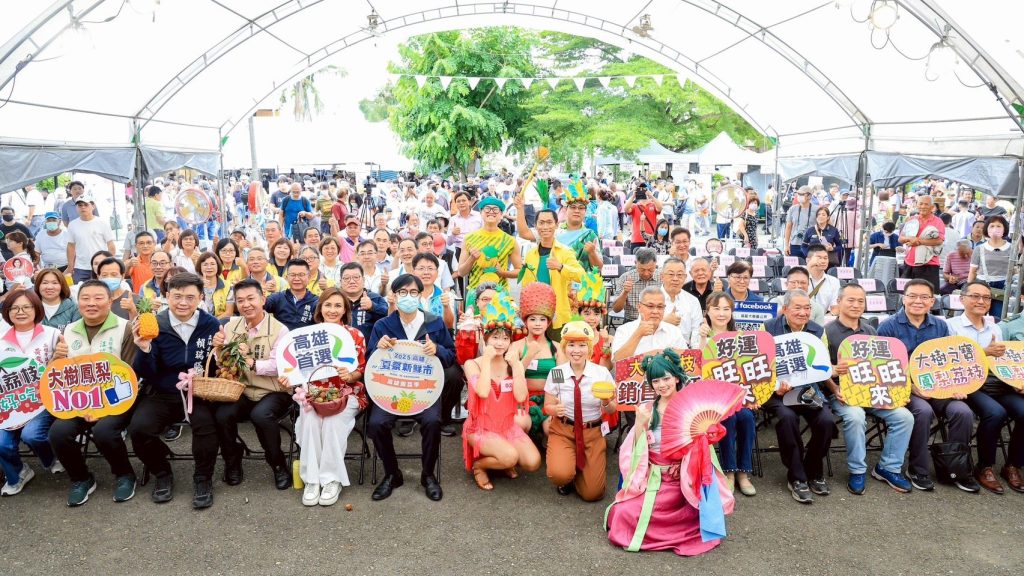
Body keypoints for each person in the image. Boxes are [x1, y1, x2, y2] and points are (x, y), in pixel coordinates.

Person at [605, 349, 734, 556]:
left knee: (694, 512)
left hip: (682, 481)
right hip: (652, 477)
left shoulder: (693, 408)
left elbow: (701, 449)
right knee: (622, 512)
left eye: (666, 378)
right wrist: (639, 424)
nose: (662, 385)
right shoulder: (647, 408)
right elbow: (635, 450)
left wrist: (685, 464)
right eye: (655, 381)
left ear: (676, 377)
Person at [128, 272, 224, 509]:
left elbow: (216, 364)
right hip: (162, 391)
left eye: (190, 297)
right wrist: (144, 348)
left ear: (201, 297)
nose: (183, 303)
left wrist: (222, 353)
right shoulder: (155, 324)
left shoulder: (211, 324)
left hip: (199, 391)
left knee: (207, 427)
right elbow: (145, 372)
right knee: (139, 429)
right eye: (177, 296)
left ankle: (203, 478)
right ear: (167, 295)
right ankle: (162, 472)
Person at [877, 279, 977, 492]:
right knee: (922, 411)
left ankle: (956, 468)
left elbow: (951, 361)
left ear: (932, 301)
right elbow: (882, 367)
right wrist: (911, 387)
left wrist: (956, 385)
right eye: (912, 296)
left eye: (924, 297)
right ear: (903, 298)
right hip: (904, 387)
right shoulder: (888, 326)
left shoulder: (940, 326)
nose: (918, 301)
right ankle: (917, 469)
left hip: (939, 386)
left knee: (963, 412)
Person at [47, 279, 139, 505]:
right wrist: (56, 358)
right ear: (78, 303)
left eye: (98, 298)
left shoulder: (124, 327)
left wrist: (101, 407)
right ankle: (81, 478)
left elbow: (129, 374)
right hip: (79, 401)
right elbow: (60, 376)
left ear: (110, 301)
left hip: (117, 398)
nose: (91, 303)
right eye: (85, 298)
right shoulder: (68, 330)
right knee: (58, 433)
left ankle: (125, 475)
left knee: (105, 432)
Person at [367, 274, 456, 502]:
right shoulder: (383, 325)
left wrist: (437, 349)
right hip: (391, 391)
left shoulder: (434, 322)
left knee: (432, 421)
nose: (408, 297)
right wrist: (378, 348)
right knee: (376, 424)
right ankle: (392, 473)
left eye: (413, 292)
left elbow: (450, 357)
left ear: (420, 295)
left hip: (423, 392)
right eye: (403, 293)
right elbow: (369, 362)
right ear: (395, 296)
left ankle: (427, 475)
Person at [822, 284, 914, 495]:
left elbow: (882, 368)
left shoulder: (871, 331)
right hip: (842, 394)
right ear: (839, 302)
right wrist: (835, 388)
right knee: (855, 417)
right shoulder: (827, 332)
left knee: (904, 417)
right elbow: (822, 369)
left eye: (860, 301)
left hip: (874, 394)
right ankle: (857, 470)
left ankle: (887, 467)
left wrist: (896, 393)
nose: (856, 305)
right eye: (850, 300)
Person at [211, 279, 293, 490]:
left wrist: (251, 362)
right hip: (242, 388)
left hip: (273, 390)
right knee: (222, 415)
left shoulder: (280, 329)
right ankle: (232, 460)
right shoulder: (231, 325)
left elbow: (279, 366)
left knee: (261, 416)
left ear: (262, 299)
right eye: (240, 300)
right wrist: (219, 348)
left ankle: (278, 464)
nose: (246, 304)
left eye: (250, 298)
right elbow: (224, 363)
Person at [290, 287, 367, 506]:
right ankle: (312, 479)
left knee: (333, 422)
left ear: (345, 310)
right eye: (328, 305)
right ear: (320, 308)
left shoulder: (355, 335)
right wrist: (290, 378)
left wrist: (349, 375)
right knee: (311, 421)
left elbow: (360, 369)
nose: (332, 310)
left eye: (338, 306)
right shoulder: (307, 335)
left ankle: (332, 479)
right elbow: (296, 369)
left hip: (346, 393)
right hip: (314, 394)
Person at [946, 281, 1024, 494]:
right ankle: (985, 466)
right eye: (975, 296)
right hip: (969, 384)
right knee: (995, 413)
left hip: (999, 383)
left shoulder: (996, 327)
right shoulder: (951, 326)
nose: (981, 301)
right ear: (962, 299)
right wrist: (984, 352)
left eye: (986, 297)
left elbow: (1006, 361)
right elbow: (949, 363)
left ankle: (1013, 465)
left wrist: (1017, 381)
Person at [762, 289, 834, 504]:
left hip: (807, 388)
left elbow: (822, 366)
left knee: (827, 421)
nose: (803, 312)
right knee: (787, 418)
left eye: (807, 308)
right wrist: (775, 386)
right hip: (775, 390)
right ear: (784, 309)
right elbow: (759, 363)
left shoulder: (818, 330)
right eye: (797, 307)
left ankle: (812, 468)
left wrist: (832, 374)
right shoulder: (767, 328)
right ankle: (796, 477)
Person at [462, 293, 540, 490]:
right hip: (480, 428)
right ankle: (481, 466)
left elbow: (521, 397)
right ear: (486, 338)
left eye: (505, 339)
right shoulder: (472, 364)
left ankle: (504, 459)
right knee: (510, 456)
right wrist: (486, 360)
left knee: (533, 462)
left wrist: (517, 368)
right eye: (495, 338)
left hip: (506, 426)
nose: (500, 343)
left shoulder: (511, 364)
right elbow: (482, 392)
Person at [0, 290, 65, 496]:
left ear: (36, 309)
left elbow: (64, 371)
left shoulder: (52, 334)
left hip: (44, 400)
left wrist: (57, 358)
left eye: (26, 307)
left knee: (33, 435)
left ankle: (51, 458)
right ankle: (18, 473)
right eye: (14, 308)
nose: (20, 312)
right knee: (1, 442)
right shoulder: (1, 339)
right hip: (11, 402)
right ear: (7, 311)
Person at [543, 319, 616, 501]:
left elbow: (613, 408)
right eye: (571, 345)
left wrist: (606, 401)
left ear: (589, 347)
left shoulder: (601, 373)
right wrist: (555, 409)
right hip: (563, 429)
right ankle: (566, 475)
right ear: (564, 347)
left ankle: (579, 472)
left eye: (582, 345)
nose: (576, 350)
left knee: (593, 494)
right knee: (559, 474)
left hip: (592, 432)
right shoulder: (557, 372)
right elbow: (547, 406)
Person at [699, 291, 756, 496]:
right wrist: (703, 338)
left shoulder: (740, 337)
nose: (721, 314)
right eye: (716, 309)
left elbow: (749, 370)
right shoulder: (701, 334)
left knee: (747, 417)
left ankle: (743, 472)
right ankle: (730, 472)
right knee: (728, 420)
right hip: (711, 399)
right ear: (708, 311)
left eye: (726, 309)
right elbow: (698, 368)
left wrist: (752, 397)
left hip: (737, 396)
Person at [508, 283, 564, 436]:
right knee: (519, 423)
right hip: (523, 400)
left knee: (552, 428)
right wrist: (529, 355)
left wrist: (556, 402)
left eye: (542, 319)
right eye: (533, 319)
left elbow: (561, 380)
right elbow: (511, 375)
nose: (537, 324)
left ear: (549, 322)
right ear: (525, 321)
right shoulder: (516, 346)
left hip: (549, 400)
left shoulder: (557, 348)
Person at [517, 210, 584, 330]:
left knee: (557, 348)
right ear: (535, 226)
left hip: (558, 315)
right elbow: (525, 286)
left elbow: (581, 276)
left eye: (549, 222)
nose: (545, 227)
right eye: (541, 223)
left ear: (557, 225)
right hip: (535, 314)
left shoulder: (565, 251)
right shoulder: (531, 254)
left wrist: (561, 267)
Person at [517, 183, 602, 272]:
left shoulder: (590, 236)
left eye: (581, 208)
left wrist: (592, 253)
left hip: (579, 284)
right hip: (552, 283)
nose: (577, 211)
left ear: (585, 211)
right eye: (573, 207)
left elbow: (599, 268)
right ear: (566, 209)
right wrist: (520, 208)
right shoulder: (554, 230)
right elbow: (524, 233)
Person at [458, 197, 522, 292]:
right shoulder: (469, 238)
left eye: (495, 209)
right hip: (475, 294)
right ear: (481, 213)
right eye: (487, 208)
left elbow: (520, 271)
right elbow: (461, 272)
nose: (491, 212)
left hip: (500, 295)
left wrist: (503, 273)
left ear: (501, 215)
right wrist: (472, 259)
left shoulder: (510, 240)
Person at [611, 286, 688, 363]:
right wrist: (638, 334)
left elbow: (685, 359)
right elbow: (617, 361)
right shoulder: (624, 330)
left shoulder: (674, 331)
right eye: (650, 306)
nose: (655, 311)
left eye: (660, 307)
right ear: (639, 307)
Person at [64, 194, 116, 284]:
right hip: (81, 267)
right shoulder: (72, 225)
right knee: (79, 293)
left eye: (86, 205)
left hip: (101, 265)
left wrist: (111, 263)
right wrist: (70, 266)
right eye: (80, 205)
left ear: (93, 206)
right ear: (76, 208)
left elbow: (110, 244)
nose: (83, 208)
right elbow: (71, 246)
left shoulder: (102, 223)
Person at [968, 215, 1012, 317]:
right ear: (987, 229)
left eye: (998, 226)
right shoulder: (979, 248)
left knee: (997, 317)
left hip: (1003, 285)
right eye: (992, 226)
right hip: (981, 284)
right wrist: (968, 289)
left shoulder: (1012, 248)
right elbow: (972, 271)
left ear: (1004, 228)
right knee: (977, 315)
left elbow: (1015, 270)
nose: (995, 229)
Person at [899, 194, 944, 290]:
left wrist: (918, 241)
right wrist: (911, 239)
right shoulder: (912, 219)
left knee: (928, 294)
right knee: (907, 294)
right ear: (916, 205)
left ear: (932, 207)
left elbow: (939, 240)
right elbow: (901, 239)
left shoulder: (938, 221)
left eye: (926, 204)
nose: (923, 206)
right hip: (909, 262)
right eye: (920, 204)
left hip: (929, 264)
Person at [264, 259, 319, 331]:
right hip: (283, 340)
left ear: (309, 277)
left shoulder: (316, 301)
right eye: (293, 275)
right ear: (286, 278)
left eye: (301, 275)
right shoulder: (277, 298)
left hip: (306, 341)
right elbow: (258, 308)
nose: (296, 278)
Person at [659, 257, 702, 348]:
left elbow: (696, 332)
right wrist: (663, 322)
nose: (675, 279)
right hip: (656, 351)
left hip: (684, 353)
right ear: (662, 276)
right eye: (671, 274)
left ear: (685, 277)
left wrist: (695, 355)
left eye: (679, 275)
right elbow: (641, 328)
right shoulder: (650, 298)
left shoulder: (693, 301)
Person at [612, 247, 662, 323]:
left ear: (655, 264)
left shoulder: (662, 278)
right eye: (642, 269)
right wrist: (625, 292)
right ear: (635, 263)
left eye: (650, 270)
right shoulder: (625, 278)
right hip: (632, 321)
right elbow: (616, 309)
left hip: (657, 321)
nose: (646, 273)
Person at [576, 271, 612, 370]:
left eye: (596, 314)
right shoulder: (572, 336)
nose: (592, 318)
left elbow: (606, 369)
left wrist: (605, 343)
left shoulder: (607, 338)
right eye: (587, 314)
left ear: (601, 315)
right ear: (579, 314)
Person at [624, 183, 663, 254]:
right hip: (636, 239)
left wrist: (651, 196)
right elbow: (626, 209)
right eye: (640, 190)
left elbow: (660, 208)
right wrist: (633, 196)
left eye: (644, 189)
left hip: (650, 239)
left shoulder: (653, 205)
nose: (642, 191)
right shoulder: (634, 206)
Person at [805, 245, 840, 314]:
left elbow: (835, 308)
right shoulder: (800, 278)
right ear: (808, 260)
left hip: (823, 320)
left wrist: (825, 319)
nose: (823, 261)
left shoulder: (834, 281)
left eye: (825, 258)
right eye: (819, 258)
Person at [196, 252, 231, 319]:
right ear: (200, 267)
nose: (209, 267)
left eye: (212, 264)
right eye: (205, 264)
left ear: (218, 266)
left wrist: (212, 323)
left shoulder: (228, 286)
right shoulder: (194, 286)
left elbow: (229, 312)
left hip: (220, 322)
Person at [784, 186, 814, 258]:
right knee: (794, 267)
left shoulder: (817, 209)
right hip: (794, 244)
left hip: (810, 245)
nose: (799, 196)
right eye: (798, 194)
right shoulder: (793, 209)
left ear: (809, 196)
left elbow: (824, 227)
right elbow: (788, 228)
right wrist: (786, 245)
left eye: (802, 194)